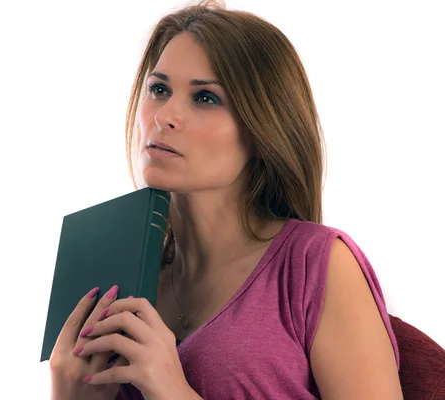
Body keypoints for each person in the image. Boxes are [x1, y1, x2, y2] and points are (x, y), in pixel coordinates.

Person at [48, 1, 404, 398]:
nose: (165, 115)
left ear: (262, 130)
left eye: (205, 98)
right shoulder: (117, 280)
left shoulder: (316, 265)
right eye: (159, 89)